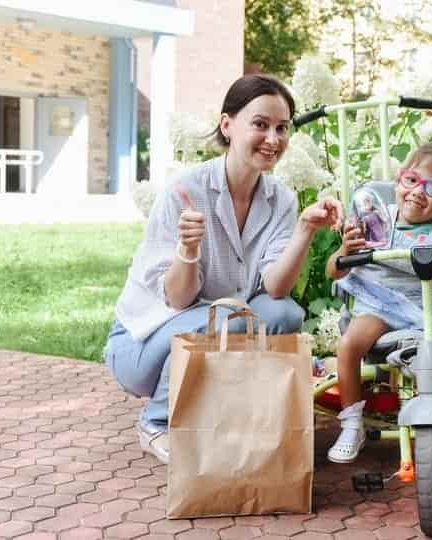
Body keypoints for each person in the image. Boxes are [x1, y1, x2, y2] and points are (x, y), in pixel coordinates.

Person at [105, 74, 342, 464]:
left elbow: (276, 289)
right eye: (260, 124)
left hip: (218, 325)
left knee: (283, 314)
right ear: (227, 125)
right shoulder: (185, 191)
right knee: (233, 318)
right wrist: (187, 250)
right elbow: (178, 298)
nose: (273, 139)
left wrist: (305, 229)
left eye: (282, 128)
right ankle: (156, 421)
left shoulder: (281, 199)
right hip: (144, 347)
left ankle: (238, 411)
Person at [324, 143, 432, 471]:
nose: (418, 192)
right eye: (412, 180)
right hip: (381, 304)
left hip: (431, 310)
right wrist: (346, 249)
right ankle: (352, 423)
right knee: (348, 346)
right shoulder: (376, 220)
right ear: (398, 182)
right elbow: (334, 270)